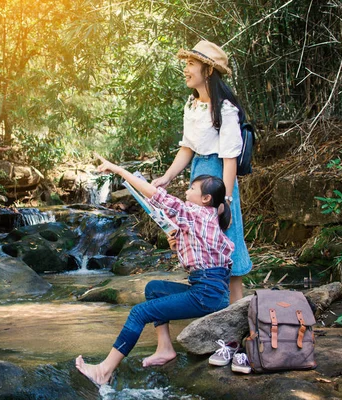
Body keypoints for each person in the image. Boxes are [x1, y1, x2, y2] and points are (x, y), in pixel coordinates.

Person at [75, 154, 233, 386]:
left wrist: (119, 170)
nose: (187, 192)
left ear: (206, 198)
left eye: (192, 189)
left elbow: (157, 196)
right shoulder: (205, 217)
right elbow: (202, 261)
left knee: (139, 312)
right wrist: (177, 244)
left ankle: (104, 370)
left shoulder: (195, 213)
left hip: (206, 293)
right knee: (154, 288)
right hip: (211, 289)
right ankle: (164, 348)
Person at [151, 40, 252, 303]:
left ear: (208, 71)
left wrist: (225, 202)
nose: (185, 69)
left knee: (226, 243)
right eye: (186, 63)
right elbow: (187, 148)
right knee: (205, 246)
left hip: (218, 182)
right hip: (199, 176)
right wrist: (167, 177)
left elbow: (230, 160)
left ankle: (239, 318)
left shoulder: (225, 110)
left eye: (191, 64)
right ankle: (213, 311)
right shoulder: (193, 105)